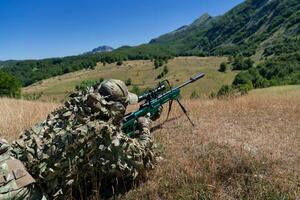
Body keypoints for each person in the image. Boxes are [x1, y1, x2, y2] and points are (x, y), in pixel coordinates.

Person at [10, 79, 160, 199]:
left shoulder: (69, 110)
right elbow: (143, 158)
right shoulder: (103, 132)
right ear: (117, 108)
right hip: (26, 191)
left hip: (9, 165)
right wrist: (145, 126)